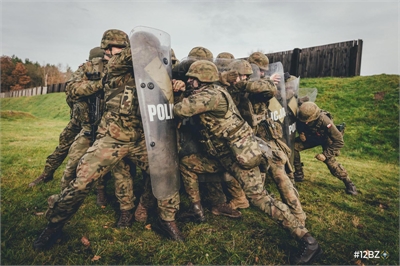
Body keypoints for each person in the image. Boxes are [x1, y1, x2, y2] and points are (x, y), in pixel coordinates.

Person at [32, 29, 184, 251]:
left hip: (143, 138)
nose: (116, 52)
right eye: (116, 48)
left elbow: (167, 84)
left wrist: (177, 84)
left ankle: (167, 220)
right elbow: (129, 57)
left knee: (167, 171)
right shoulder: (114, 67)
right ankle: (54, 226)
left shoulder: (149, 69)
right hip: (113, 138)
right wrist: (146, 47)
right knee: (82, 180)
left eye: (122, 47)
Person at [174, 60, 322, 264]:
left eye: (192, 78)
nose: (189, 81)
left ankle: (307, 240)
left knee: (260, 198)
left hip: (240, 156)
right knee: (187, 163)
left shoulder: (211, 95)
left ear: (203, 80)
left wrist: (178, 91)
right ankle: (196, 210)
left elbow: (179, 110)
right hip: (224, 156)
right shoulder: (212, 91)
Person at [220, 59, 306, 225]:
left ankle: (298, 215)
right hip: (243, 142)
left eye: (247, 75)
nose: (245, 78)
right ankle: (240, 199)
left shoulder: (255, 86)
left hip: (262, 139)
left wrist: (242, 83)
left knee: (279, 173)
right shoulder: (227, 90)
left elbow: (267, 89)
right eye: (241, 75)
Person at [62, 46, 137, 227]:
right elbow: (71, 89)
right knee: (74, 163)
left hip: (113, 130)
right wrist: (99, 85)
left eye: (119, 49)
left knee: (121, 170)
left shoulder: (126, 67)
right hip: (90, 126)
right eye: (111, 49)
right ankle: (63, 203)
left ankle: (125, 209)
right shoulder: (90, 67)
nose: (113, 53)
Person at [294, 102, 358, 195]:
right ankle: (299, 173)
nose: (306, 122)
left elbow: (339, 141)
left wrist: (325, 154)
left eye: (308, 121)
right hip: (312, 137)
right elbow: (299, 123)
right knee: (293, 147)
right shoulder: (302, 115)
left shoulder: (325, 121)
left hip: (326, 139)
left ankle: (348, 183)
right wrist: (301, 132)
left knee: (330, 161)